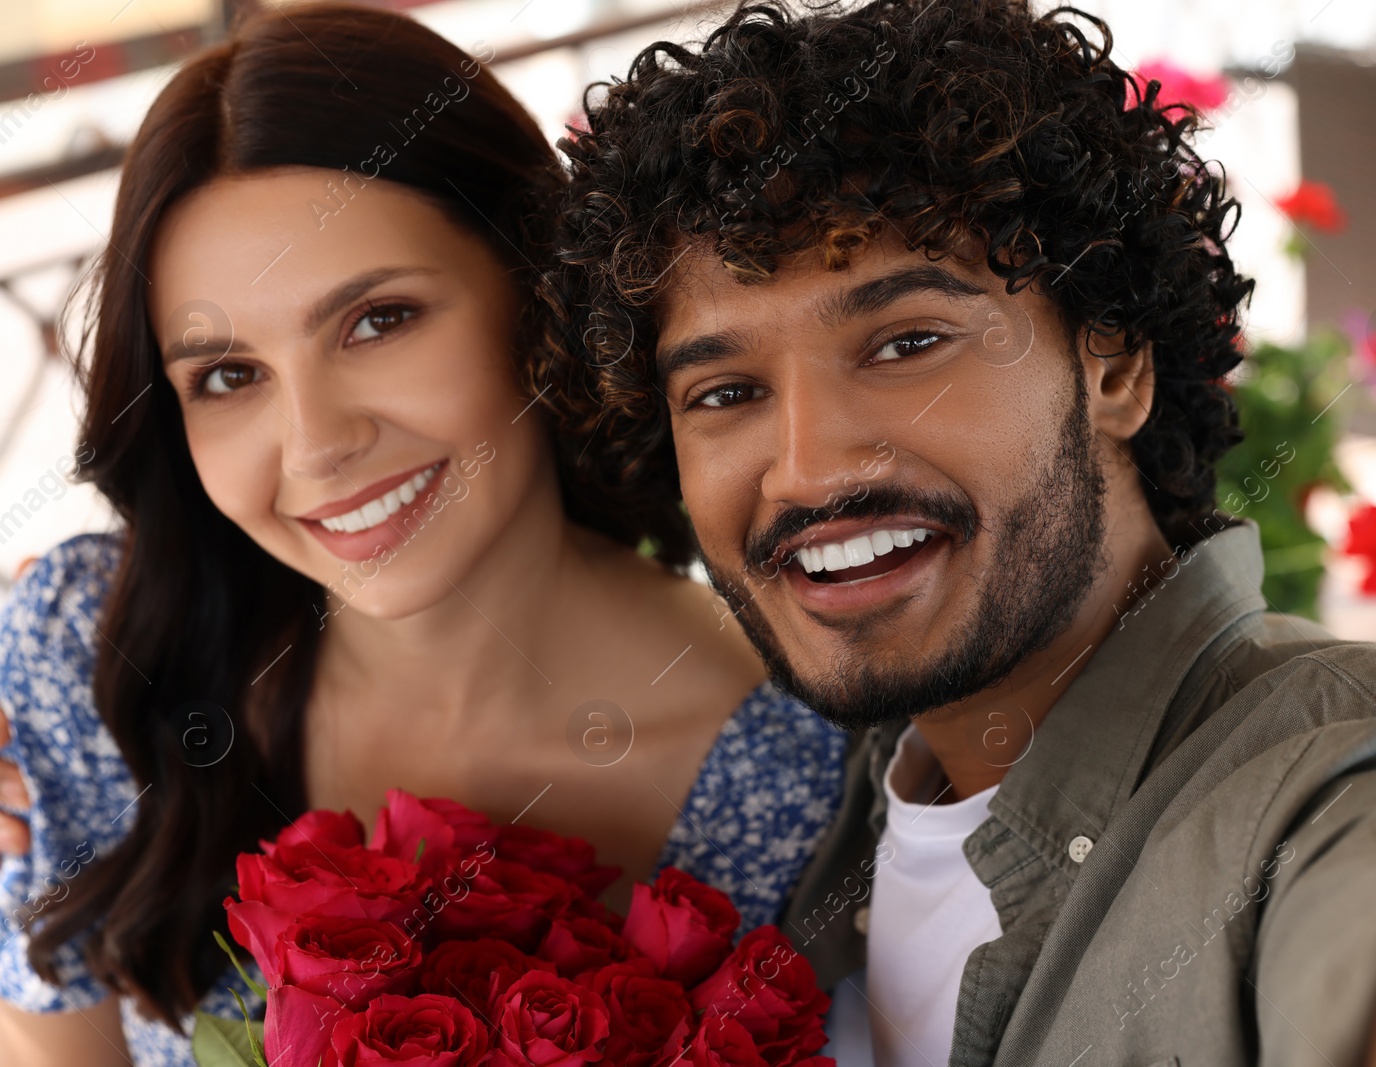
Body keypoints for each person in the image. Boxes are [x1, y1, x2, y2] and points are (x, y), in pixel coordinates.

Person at [558, 0, 1376, 1064]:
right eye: (726, 392)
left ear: (1113, 366)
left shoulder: (1332, 786)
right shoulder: (801, 822)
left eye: (906, 341)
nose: (811, 466)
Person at [0, 5, 846, 1065]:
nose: (315, 445)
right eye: (227, 376)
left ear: (538, 289)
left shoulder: (812, 757)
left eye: (377, 320)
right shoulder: (95, 659)